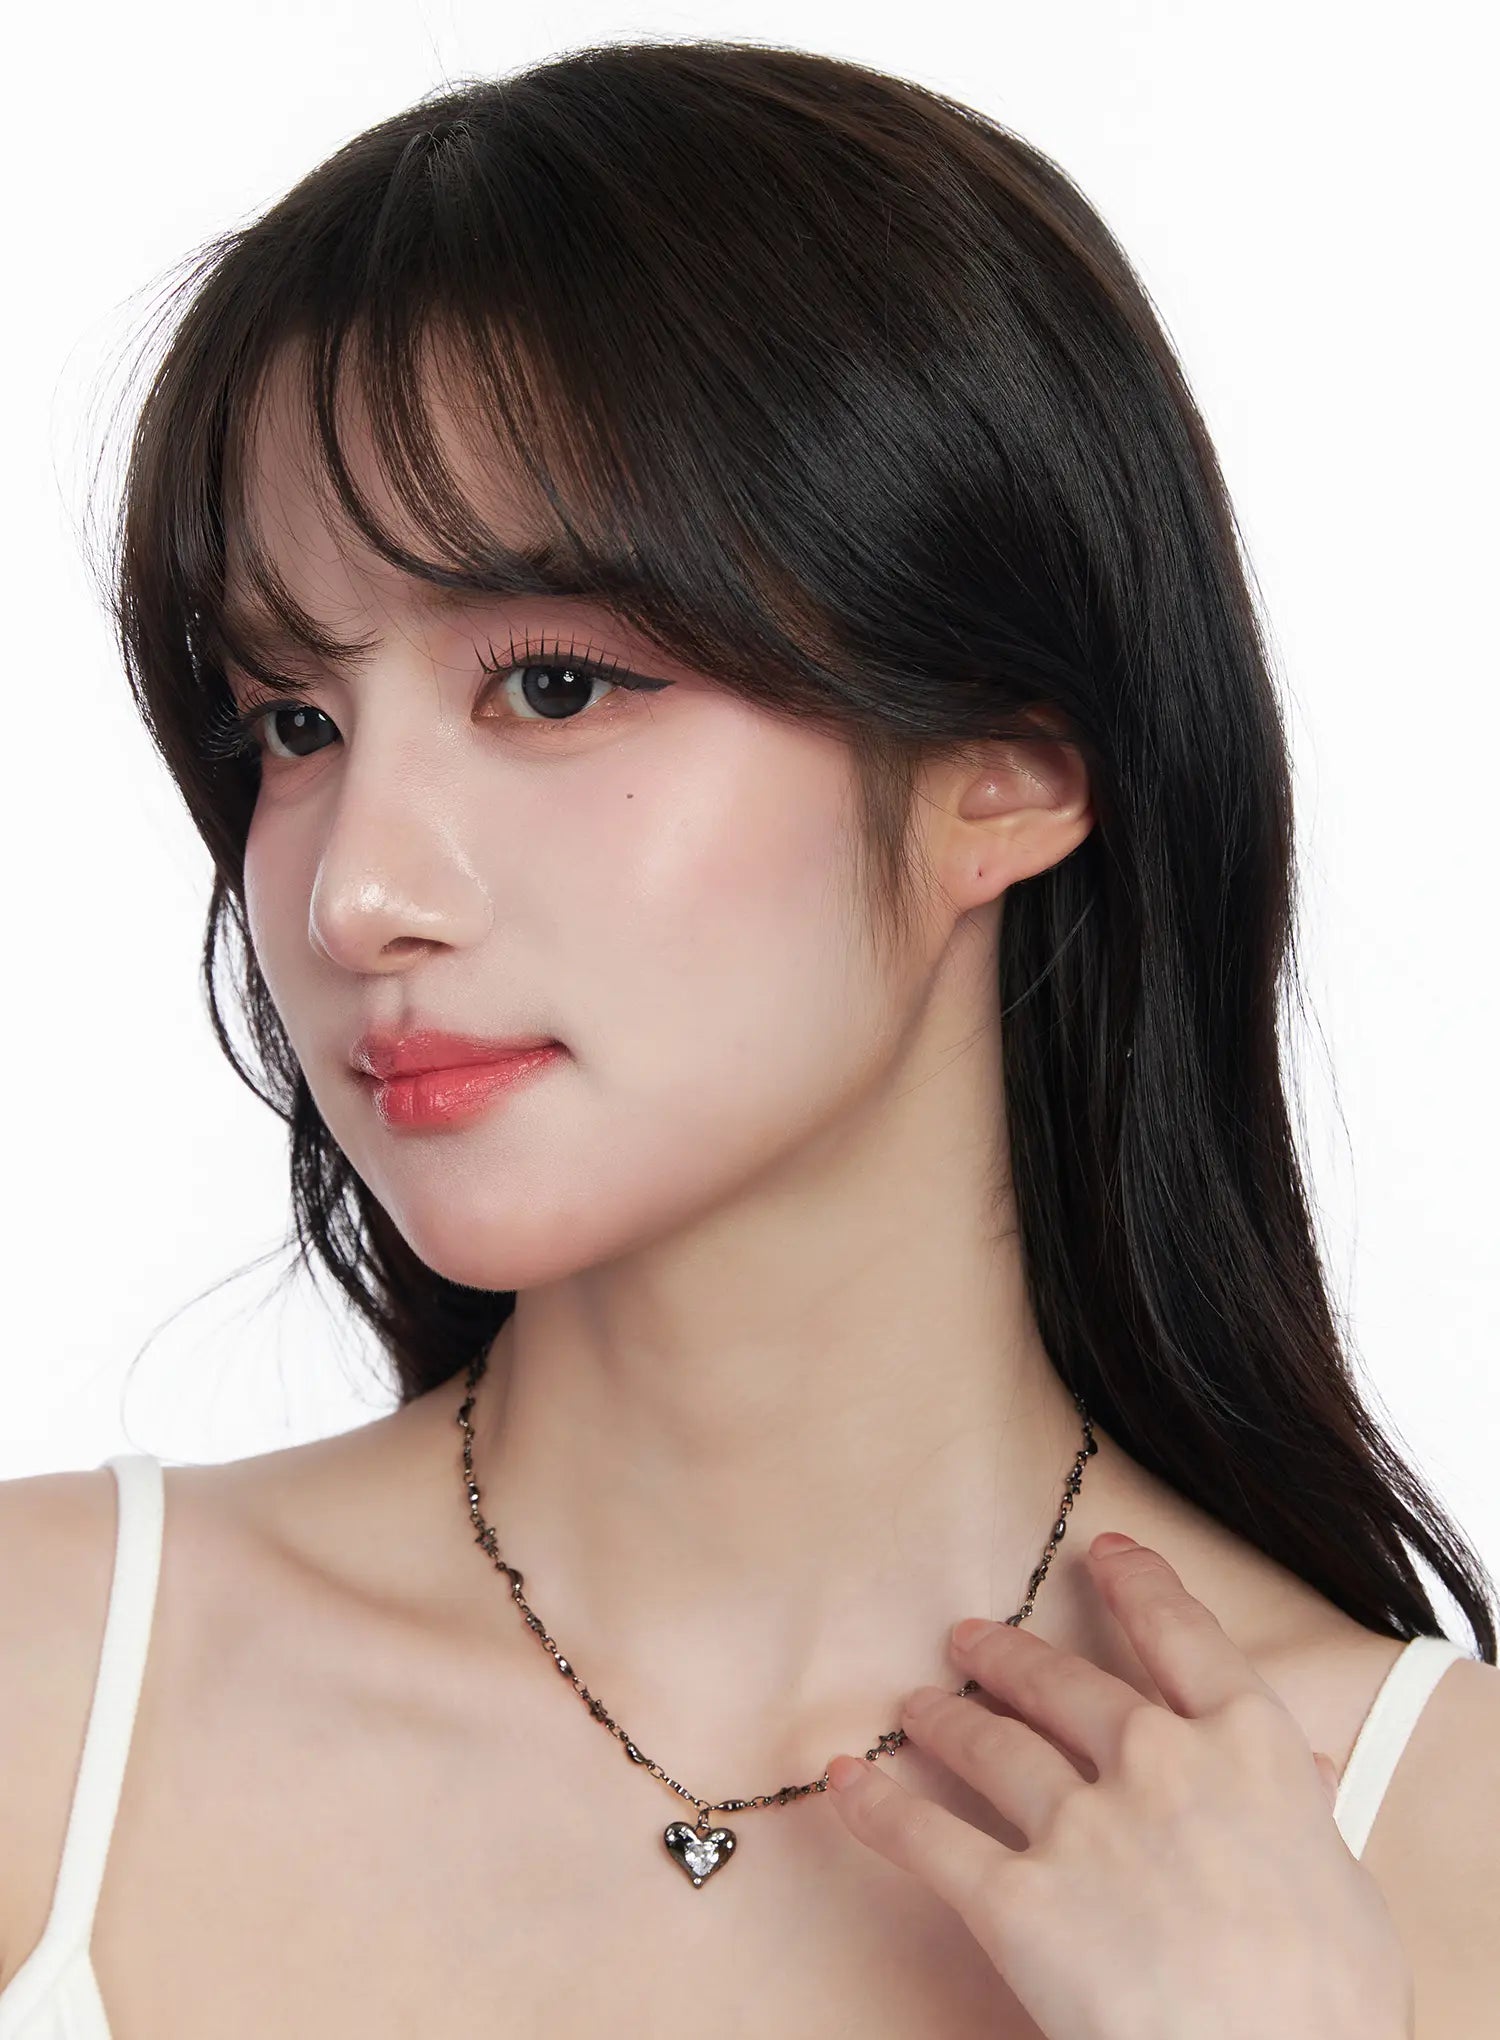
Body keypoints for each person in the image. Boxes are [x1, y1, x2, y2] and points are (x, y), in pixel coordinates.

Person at [1, 36, 1496, 2040]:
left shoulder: (1431, 1860)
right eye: (294, 721)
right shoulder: (48, 1699)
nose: (356, 895)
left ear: (1005, 772)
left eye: (552, 686)